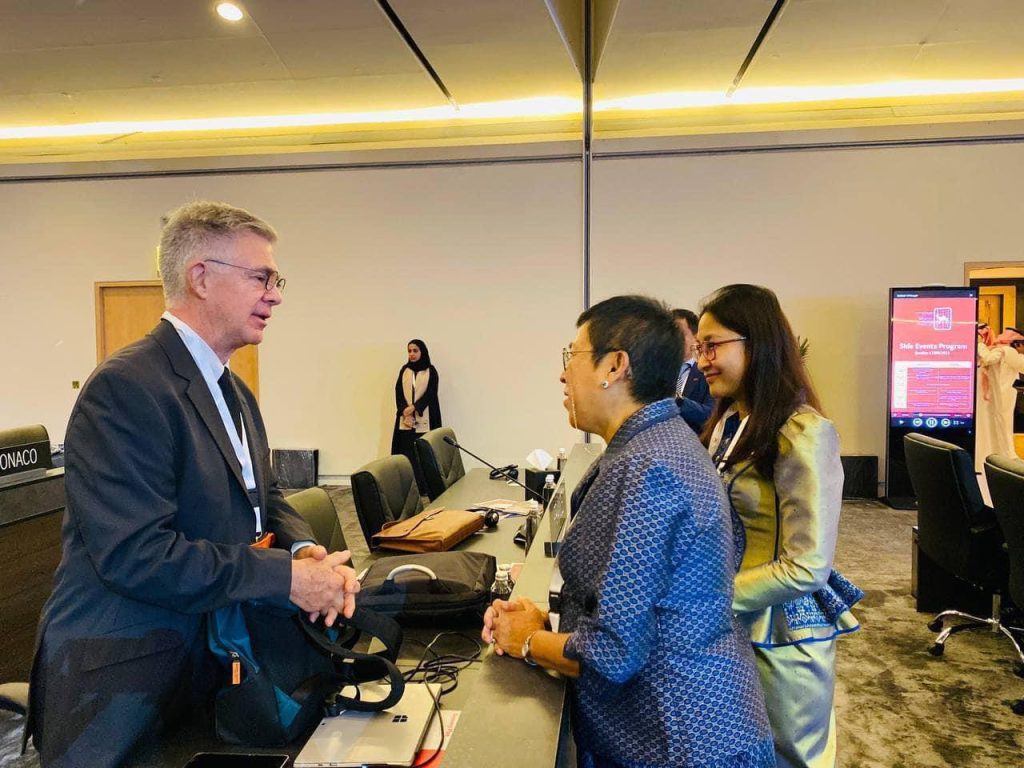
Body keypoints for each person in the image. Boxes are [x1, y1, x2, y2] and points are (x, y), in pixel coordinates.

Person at [29, 201, 360, 768]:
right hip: (121, 686)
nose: (275, 295)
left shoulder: (234, 390)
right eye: (261, 277)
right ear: (201, 278)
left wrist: (302, 547)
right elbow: (138, 554)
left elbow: (261, 496)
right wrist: (286, 579)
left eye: (275, 280)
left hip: (207, 667)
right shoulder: (126, 389)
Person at [483, 295, 775, 768]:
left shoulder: (649, 467)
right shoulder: (654, 443)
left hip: (682, 741)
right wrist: (548, 622)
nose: (562, 374)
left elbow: (613, 653)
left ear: (615, 366)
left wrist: (529, 641)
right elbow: (636, 606)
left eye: (572, 355)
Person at [696, 284, 862, 768]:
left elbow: (807, 566)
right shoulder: (732, 421)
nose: (702, 360)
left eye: (713, 345)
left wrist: (707, 598)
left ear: (757, 343)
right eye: (699, 347)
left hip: (782, 633)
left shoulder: (803, 432)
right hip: (734, 621)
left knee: (786, 757)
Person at [390, 339, 441, 490]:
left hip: (426, 417)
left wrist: (414, 407)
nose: (412, 354)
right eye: (409, 351)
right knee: (407, 452)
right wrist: (404, 410)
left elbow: (431, 394)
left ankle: (426, 486)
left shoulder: (431, 371)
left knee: (423, 451)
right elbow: (398, 392)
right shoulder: (405, 370)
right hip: (406, 419)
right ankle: (408, 486)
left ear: (422, 352)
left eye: (415, 351)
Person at [975, 325, 1024, 480]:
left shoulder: (1005, 351)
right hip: (996, 396)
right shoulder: (1003, 350)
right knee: (999, 425)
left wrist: (979, 345)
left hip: (1001, 395)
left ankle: (1006, 456)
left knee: (1002, 425)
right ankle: (1003, 456)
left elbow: (988, 359)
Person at [672, 307, 715, 432]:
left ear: (696, 338)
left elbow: (711, 415)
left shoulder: (709, 370)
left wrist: (676, 400)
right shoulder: (659, 370)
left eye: (678, 333)